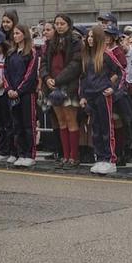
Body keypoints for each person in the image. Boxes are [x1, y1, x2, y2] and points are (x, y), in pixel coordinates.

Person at [79, 22, 123, 176]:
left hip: (103, 95)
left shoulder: (106, 54)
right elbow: (83, 78)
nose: (89, 39)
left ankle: (110, 159)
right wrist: (83, 96)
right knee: (96, 128)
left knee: (106, 128)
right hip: (91, 96)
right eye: (88, 37)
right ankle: (100, 158)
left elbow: (121, 71)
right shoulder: (86, 56)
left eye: (92, 37)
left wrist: (113, 88)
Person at [43, 15, 83, 166]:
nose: (59, 26)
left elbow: (75, 65)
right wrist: (47, 78)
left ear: (68, 24)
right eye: (57, 24)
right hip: (52, 86)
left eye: (62, 23)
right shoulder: (50, 43)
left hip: (68, 86)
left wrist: (57, 79)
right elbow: (44, 63)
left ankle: (74, 156)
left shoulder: (75, 42)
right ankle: (65, 156)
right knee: (61, 122)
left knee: (71, 120)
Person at [1, 24, 39, 166]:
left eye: (18, 33)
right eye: (14, 33)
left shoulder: (31, 53)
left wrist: (19, 90)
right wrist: (9, 89)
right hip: (13, 94)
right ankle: (21, 153)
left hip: (26, 94)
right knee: (17, 125)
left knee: (28, 124)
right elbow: (5, 73)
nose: (15, 36)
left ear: (24, 34)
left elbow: (30, 74)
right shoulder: (11, 53)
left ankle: (30, 154)